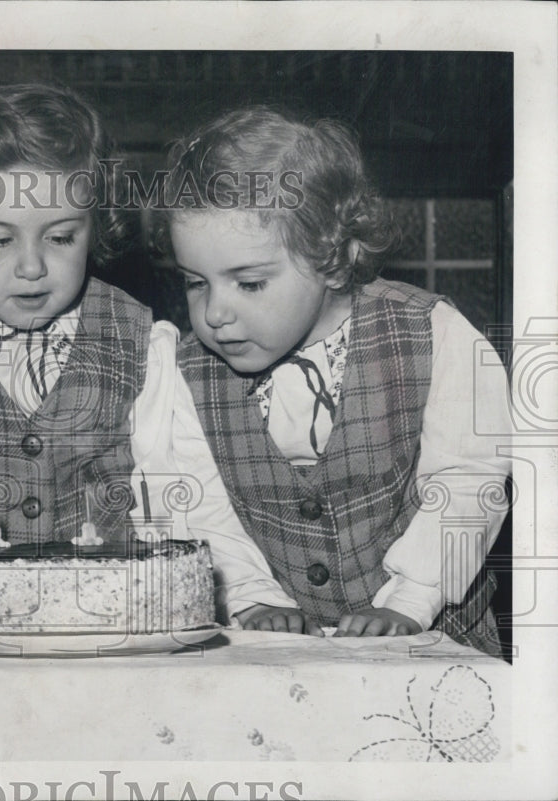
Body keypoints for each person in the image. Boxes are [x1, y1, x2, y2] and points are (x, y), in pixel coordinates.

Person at [0, 83, 294, 643]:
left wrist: (251, 593)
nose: (31, 267)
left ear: (95, 228)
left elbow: (182, 487)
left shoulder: (143, 339)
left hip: (110, 623)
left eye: (60, 236)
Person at [164, 106, 511, 654]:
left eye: (249, 283)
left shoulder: (434, 333)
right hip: (271, 658)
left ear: (332, 258)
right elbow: (197, 503)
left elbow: (470, 483)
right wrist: (252, 595)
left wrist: (410, 600)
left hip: (437, 642)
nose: (214, 314)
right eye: (194, 283)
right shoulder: (183, 373)